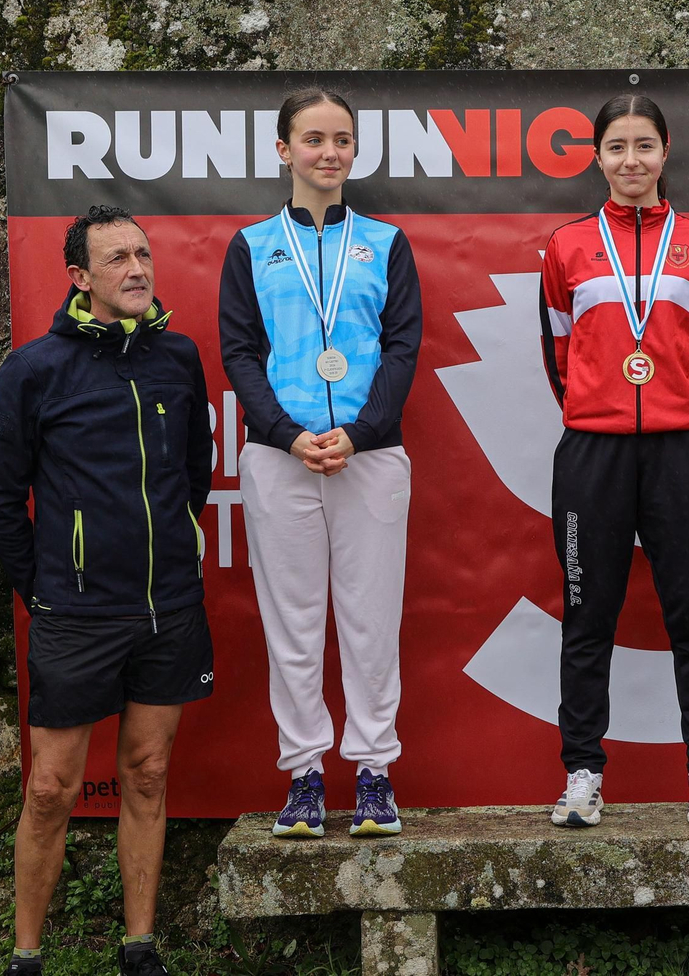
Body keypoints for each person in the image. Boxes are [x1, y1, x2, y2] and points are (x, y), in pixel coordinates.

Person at [0, 205, 214, 976]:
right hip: (74, 613)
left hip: (168, 607)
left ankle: (139, 947)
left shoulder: (178, 357)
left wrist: (172, 551)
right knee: (51, 788)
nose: (137, 268)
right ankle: (26, 956)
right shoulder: (34, 369)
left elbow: (195, 472)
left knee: (147, 772)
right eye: (117, 258)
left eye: (143, 253)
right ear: (80, 276)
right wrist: (46, 587)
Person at [219, 87, 421, 839]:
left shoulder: (387, 242)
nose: (329, 152)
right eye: (313, 139)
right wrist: (284, 432)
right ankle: (304, 773)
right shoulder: (251, 245)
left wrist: (361, 433)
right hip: (282, 457)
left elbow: (402, 346)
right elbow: (240, 350)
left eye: (342, 139)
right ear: (284, 150)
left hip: (371, 455)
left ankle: (373, 772)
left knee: (372, 621)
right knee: (293, 622)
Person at [538, 94, 689, 828]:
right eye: (617, 147)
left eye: (644, 145)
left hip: (682, 450)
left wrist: (673, 407)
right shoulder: (566, 246)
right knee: (588, 615)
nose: (631, 160)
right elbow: (559, 354)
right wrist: (603, 408)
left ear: (665, 151)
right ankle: (582, 773)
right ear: (597, 157)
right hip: (594, 451)